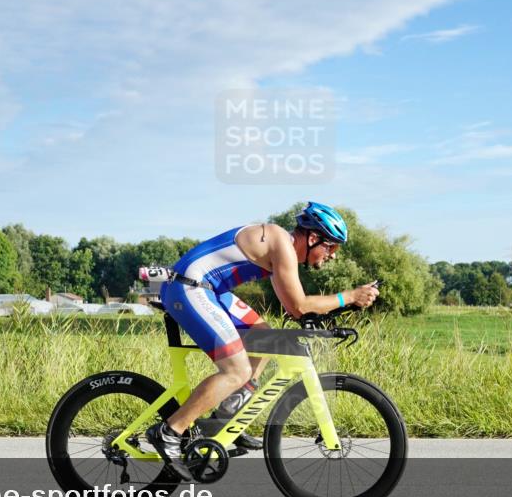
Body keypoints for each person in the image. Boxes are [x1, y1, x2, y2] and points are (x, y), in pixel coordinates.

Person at [146, 202, 379, 480]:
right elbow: (299, 306)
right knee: (237, 370)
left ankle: (224, 420)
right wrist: (349, 296)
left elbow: (295, 308)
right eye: (332, 247)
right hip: (189, 287)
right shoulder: (280, 242)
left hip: (209, 289)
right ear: (314, 238)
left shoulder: (282, 248)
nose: (333, 256)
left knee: (267, 339)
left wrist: (330, 312)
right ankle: (170, 431)